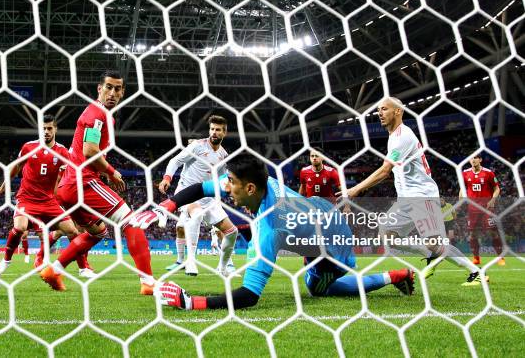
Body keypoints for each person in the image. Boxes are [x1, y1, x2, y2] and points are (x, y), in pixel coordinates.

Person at [133, 154, 415, 310]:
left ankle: (395, 275)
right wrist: (164, 206)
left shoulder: (273, 225)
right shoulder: (256, 181)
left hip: (335, 247)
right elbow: (200, 188)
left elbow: (249, 296)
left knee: (316, 289)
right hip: (319, 221)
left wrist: (191, 302)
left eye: (230, 183)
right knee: (302, 270)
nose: (226, 188)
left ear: (250, 189)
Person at [338, 97, 484, 286]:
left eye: (384, 109)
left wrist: (354, 190)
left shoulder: (402, 136)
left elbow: (384, 171)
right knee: (387, 235)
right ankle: (429, 253)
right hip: (406, 198)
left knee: (435, 243)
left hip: (422, 196)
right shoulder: (393, 136)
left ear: (398, 111)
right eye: (378, 110)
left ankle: (475, 272)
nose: (380, 113)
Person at [40, 70, 154, 294]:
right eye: (108, 87)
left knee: (98, 232)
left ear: (123, 92)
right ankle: (148, 283)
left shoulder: (100, 115)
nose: (112, 92)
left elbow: (83, 151)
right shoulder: (97, 114)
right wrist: (111, 172)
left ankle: (54, 269)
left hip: (70, 186)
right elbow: (90, 150)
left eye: (117, 88)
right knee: (130, 221)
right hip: (81, 182)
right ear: (99, 89)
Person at [0, 114, 95, 278]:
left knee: (73, 231)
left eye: (49, 128)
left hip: (49, 201)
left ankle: (83, 268)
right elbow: (16, 168)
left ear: (55, 129)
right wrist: (2, 188)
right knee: (20, 227)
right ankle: (5, 261)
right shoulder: (29, 147)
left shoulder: (62, 152)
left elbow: (69, 174)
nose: (46, 131)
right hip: (27, 199)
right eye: (43, 128)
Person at [158, 116, 238, 276]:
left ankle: (224, 268)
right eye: (212, 129)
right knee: (196, 215)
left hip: (209, 197)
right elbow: (175, 161)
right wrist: (167, 178)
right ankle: (190, 261)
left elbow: (223, 179)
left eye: (218, 130)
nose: (214, 133)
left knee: (232, 231)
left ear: (225, 132)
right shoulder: (197, 146)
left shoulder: (223, 155)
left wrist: (232, 193)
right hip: (187, 193)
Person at [460, 155, 503, 265]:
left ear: (480, 159)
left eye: (475, 158)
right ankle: (476, 258)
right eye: (471, 158)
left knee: (493, 232)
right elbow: (462, 188)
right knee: (473, 234)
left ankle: (500, 257)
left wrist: (493, 200)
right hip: (472, 209)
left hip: (486, 208)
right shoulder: (465, 173)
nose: (473, 160)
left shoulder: (488, 173)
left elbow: (497, 188)